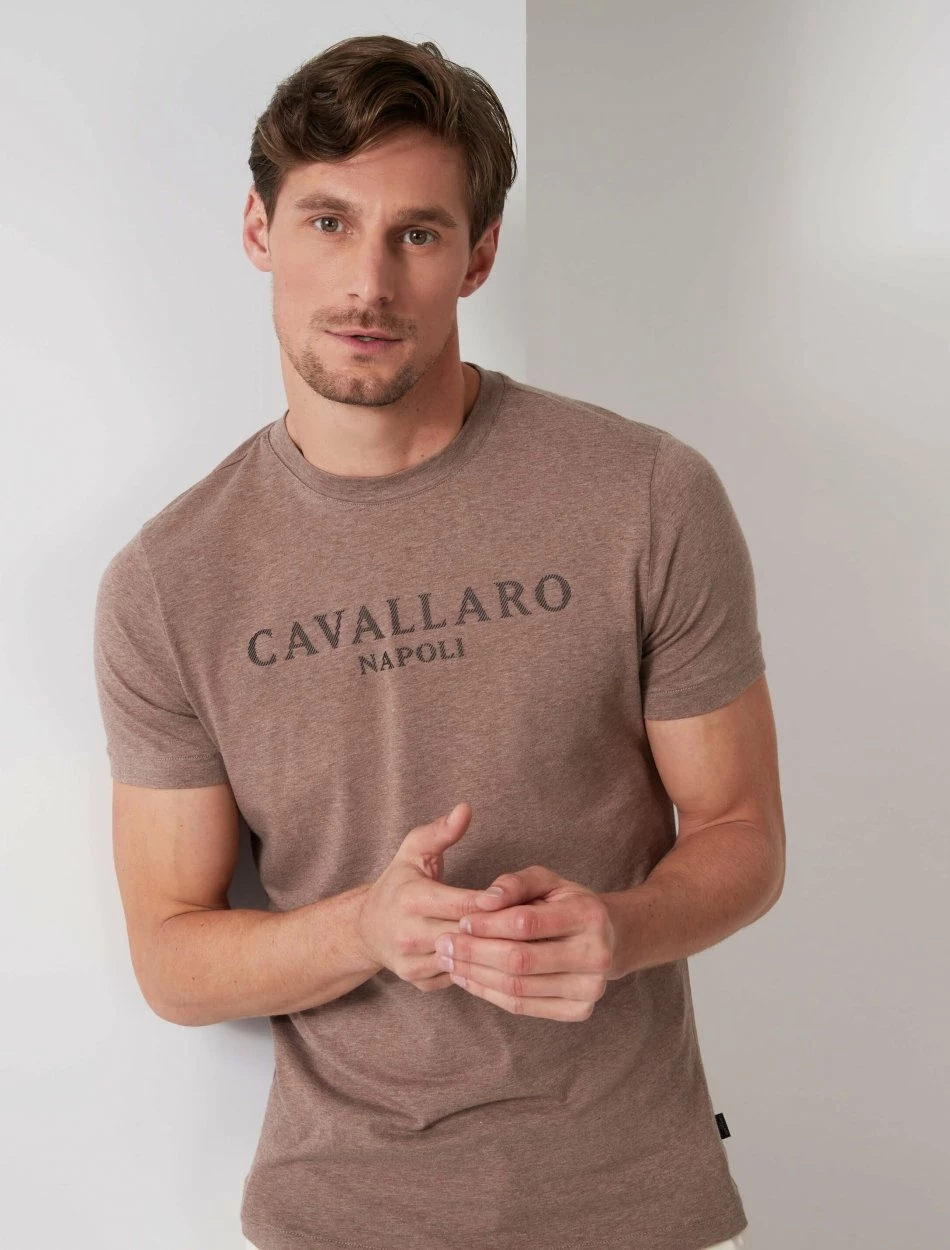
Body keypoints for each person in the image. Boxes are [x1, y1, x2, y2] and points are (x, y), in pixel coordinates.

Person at [93, 33, 783, 1250]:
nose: (366, 281)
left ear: (478, 255)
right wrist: (362, 928)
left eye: (415, 233)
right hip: (340, 1211)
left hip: (628, 1200)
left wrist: (619, 925)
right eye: (326, 221)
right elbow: (171, 955)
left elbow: (740, 834)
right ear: (258, 229)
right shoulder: (168, 582)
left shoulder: (644, 496)